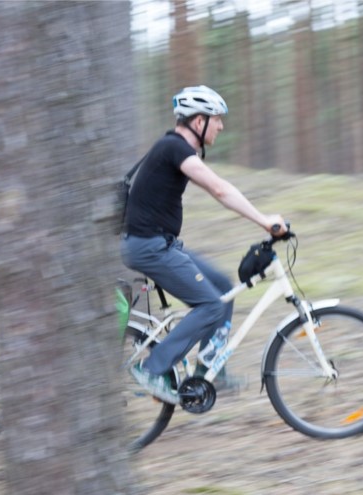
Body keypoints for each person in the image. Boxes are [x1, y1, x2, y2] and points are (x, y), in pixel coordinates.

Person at [120, 85, 287, 404]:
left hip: (159, 244)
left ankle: (209, 370)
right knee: (210, 304)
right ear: (199, 122)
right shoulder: (175, 147)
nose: (221, 126)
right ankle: (153, 369)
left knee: (223, 287)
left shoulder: (175, 149)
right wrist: (264, 220)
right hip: (149, 246)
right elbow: (220, 190)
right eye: (217, 119)